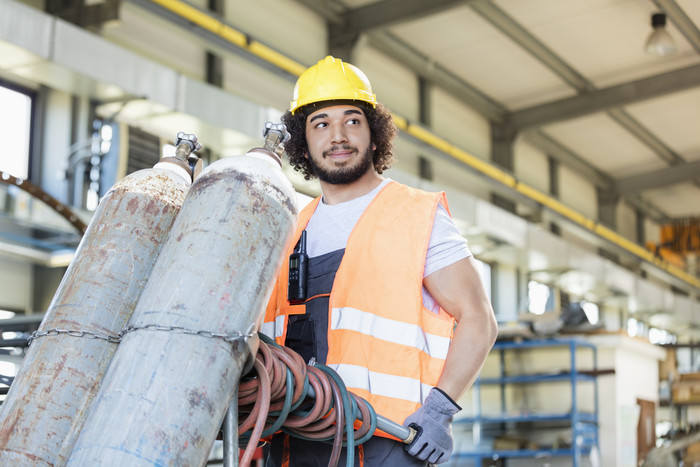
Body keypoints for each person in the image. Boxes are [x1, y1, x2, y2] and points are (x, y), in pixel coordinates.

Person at [262, 55, 497, 466]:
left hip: (388, 442)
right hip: (293, 443)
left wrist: (441, 410)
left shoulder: (415, 215)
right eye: (321, 123)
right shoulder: (288, 228)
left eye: (352, 120)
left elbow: (479, 319)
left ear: (374, 135)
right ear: (303, 142)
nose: (338, 136)